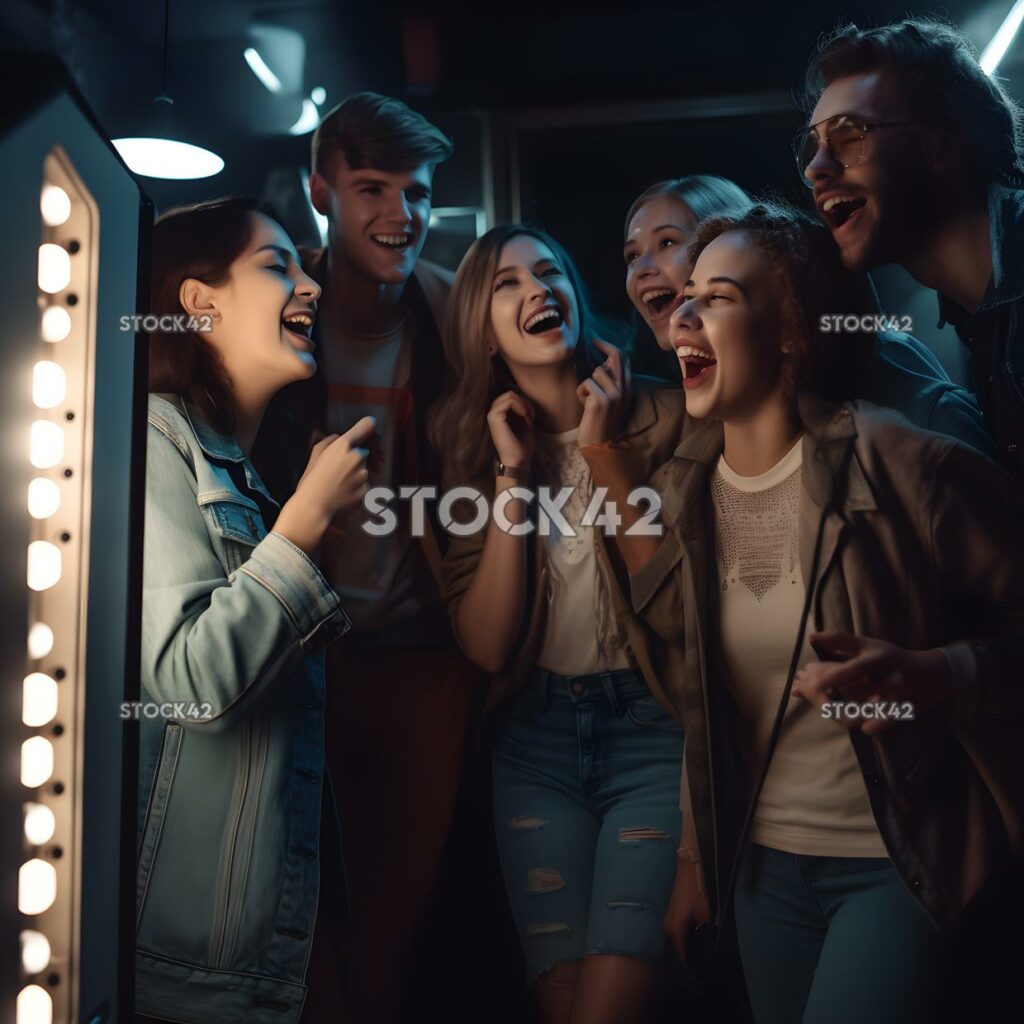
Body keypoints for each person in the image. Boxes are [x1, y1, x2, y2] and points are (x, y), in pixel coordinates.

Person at [594, 200, 1024, 1024]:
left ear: (791, 330)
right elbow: (700, 696)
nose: (683, 312)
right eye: (684, 296)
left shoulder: (897, 458)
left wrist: (934, 676)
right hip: (762, 873)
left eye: (717, 297)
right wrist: (694, 858)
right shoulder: (683, 490)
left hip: (895, 865)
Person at [252, 91, 481, 1023]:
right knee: (293, 914)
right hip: (299, 660)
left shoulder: (450, 314)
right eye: (371, 188)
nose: (401, 214)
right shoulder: (272, 305)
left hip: (424, 660)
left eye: (416, 191)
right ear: (322, 193)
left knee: (403, 921)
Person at [434, 225, 688, 1023]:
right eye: (507, 285)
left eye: (550, 272)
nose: (537, 291)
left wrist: (604, 446)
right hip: (535, 745)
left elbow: (684, 610)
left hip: (654, 733)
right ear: (481, 326)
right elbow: (485, 644)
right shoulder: (472, 450)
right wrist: (513, 472)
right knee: (567, 1005)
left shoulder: (665, 414)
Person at [135, 197, 375, 1024]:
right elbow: (190, 684)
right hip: (188, 966)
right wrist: (302, 528)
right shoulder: (154, 437)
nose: (310, 284)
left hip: (266, 947)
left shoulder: (243, 473)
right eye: (278, 265)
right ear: (197, 303)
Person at [623, 175, 997, 458]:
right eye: (632, 255)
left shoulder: (880, 363)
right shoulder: (703, 397)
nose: (642, 268)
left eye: (668, 242)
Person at [797, 17, 1024, 476]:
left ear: (938, 146)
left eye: (848, 138)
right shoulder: (979, 321)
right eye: (813, 147)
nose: (815, 169)